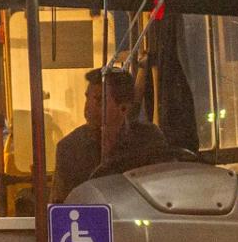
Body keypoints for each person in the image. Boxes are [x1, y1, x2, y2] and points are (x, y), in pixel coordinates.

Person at [53, 66, 169, 200]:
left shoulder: (149, 140)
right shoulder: (69, 148)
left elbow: (164, 193)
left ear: (124, 108)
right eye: (87, 98)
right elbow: (61, 207)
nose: (87, 108)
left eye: (98, 100)